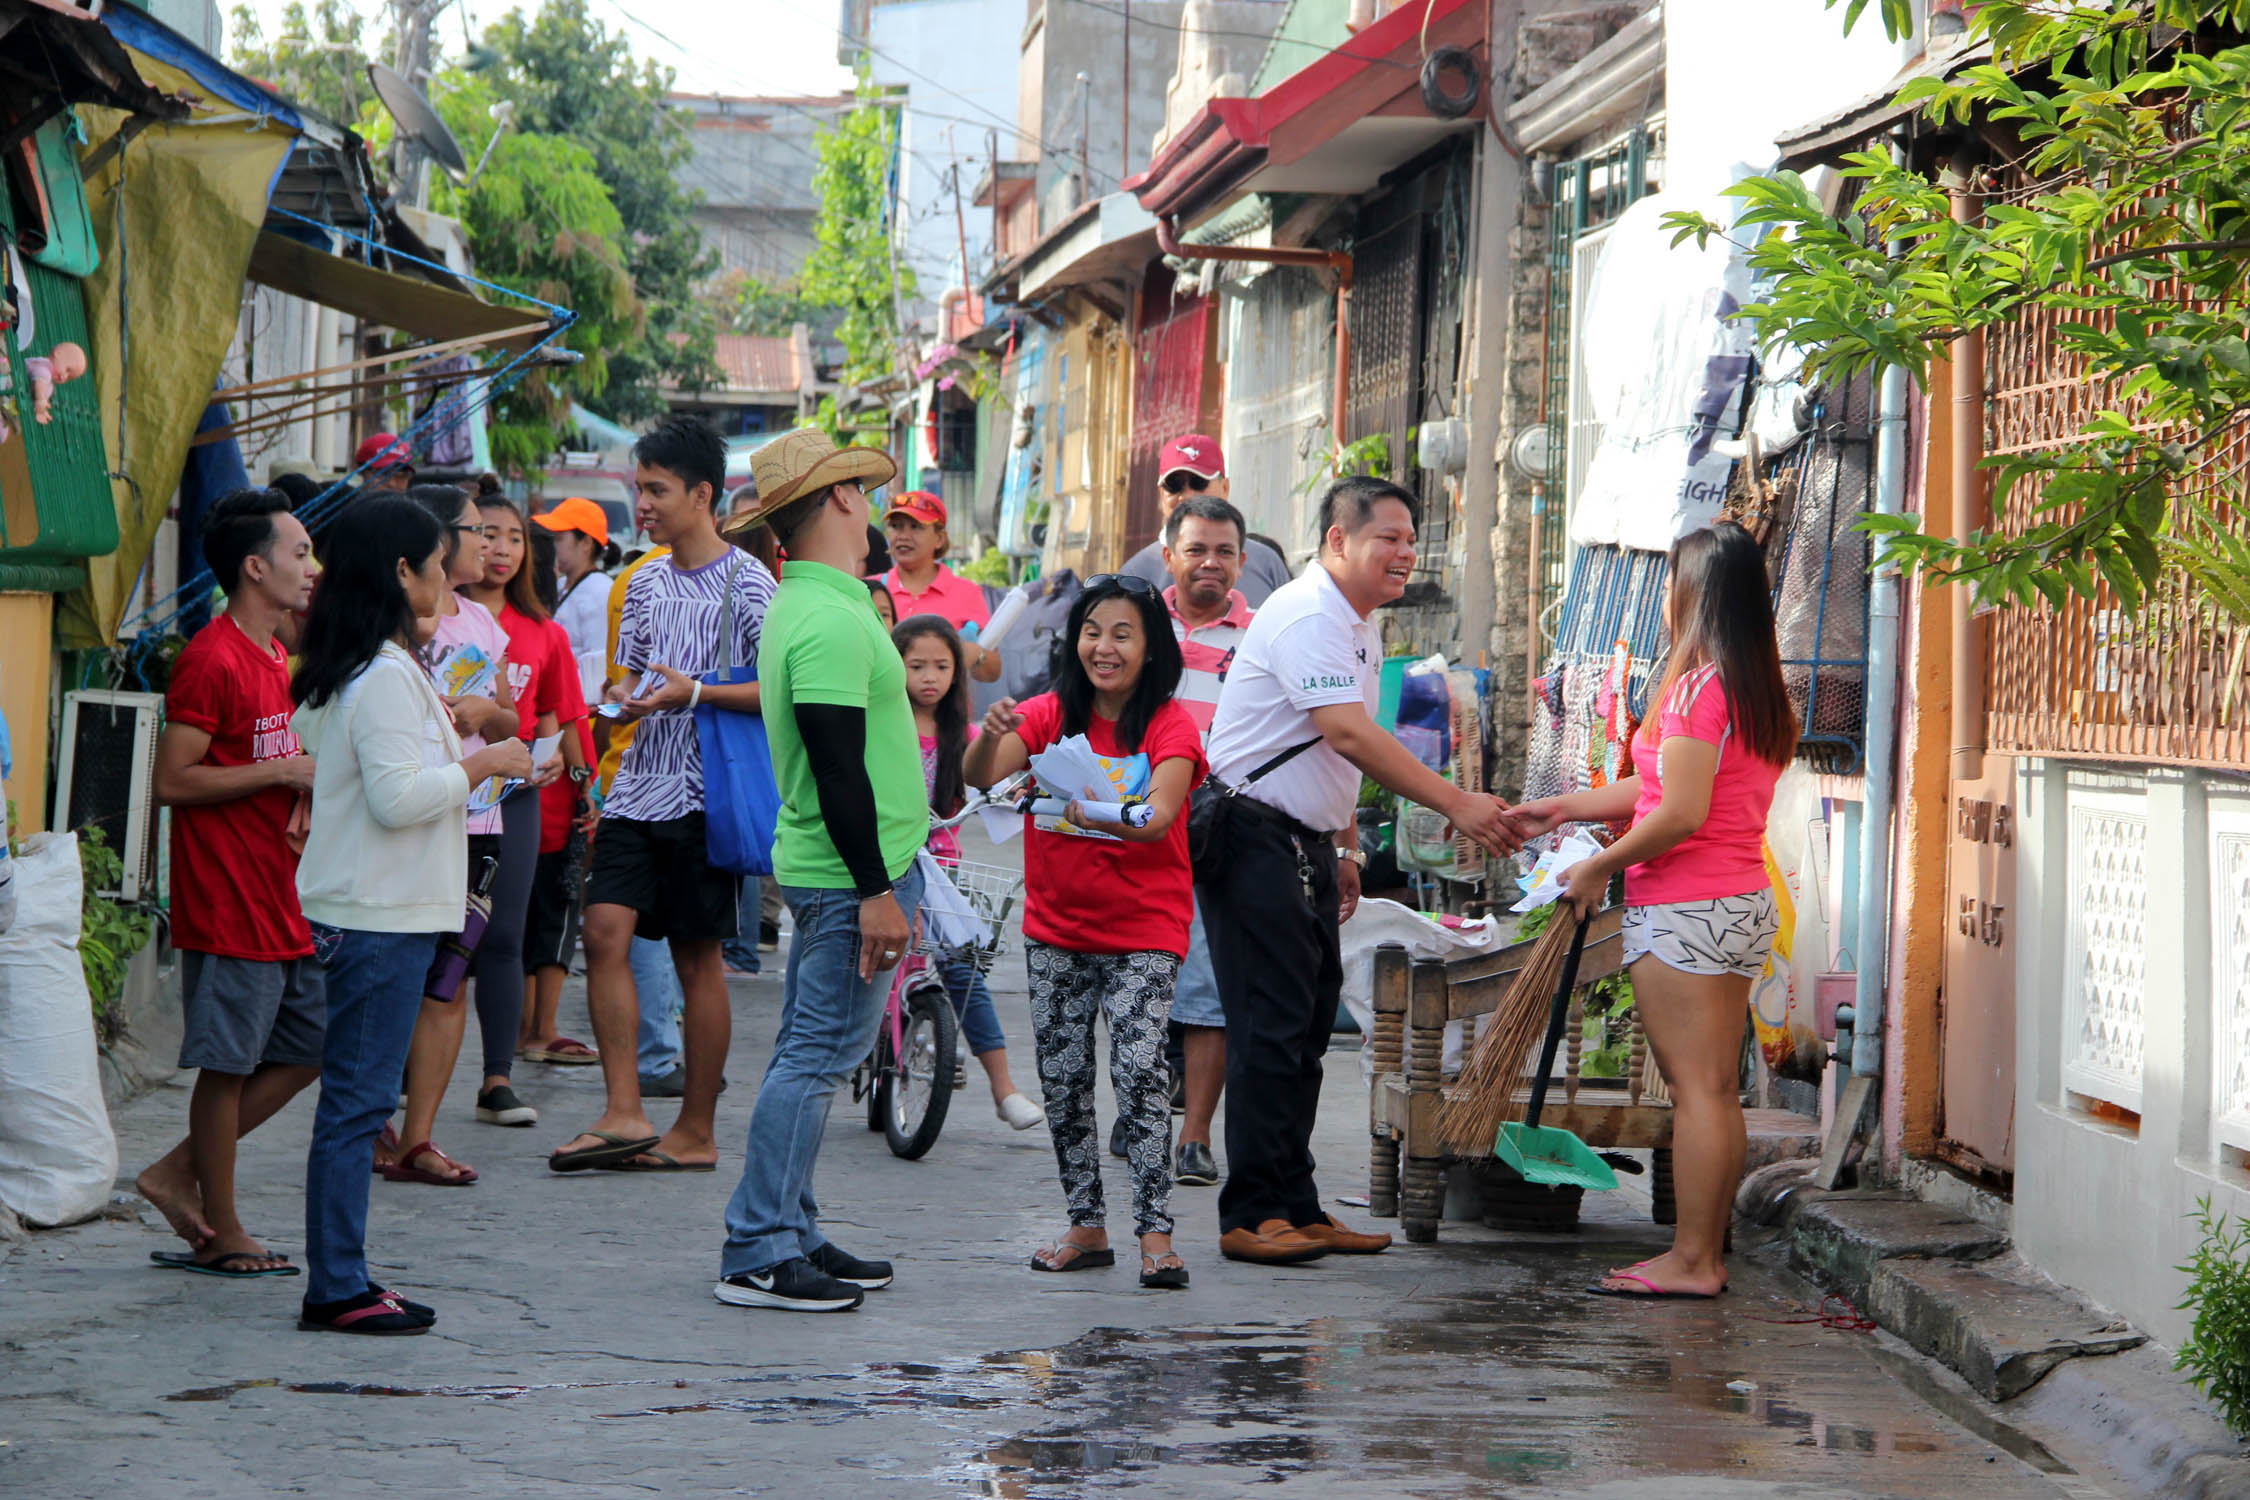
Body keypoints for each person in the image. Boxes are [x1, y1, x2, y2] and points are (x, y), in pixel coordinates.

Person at [1200, 476, 1523, 1265]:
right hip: (1248, 833)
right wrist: (1457, 802)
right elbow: (1346, 733)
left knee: (1308, 1026)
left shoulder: (1357, 625)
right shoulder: (1312, 615)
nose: (1406, 554)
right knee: (1269, 1026)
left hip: (1300, 840)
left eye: (1413, 540)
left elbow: (1328, 751)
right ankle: (1249, 1213)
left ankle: (1297, 1202)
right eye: (1390, 538)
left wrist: (1344, 848)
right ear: (1339, 540)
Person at [1510, 524, 1794, 1300]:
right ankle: (1703, 1252)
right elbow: (1663, 791)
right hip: (1736, 903)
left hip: (1687, 906)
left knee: (1696, 1089)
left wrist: (1599, 864)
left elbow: (1682, 815)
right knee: (1714, 1089)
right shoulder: (1754, 686)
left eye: (1673, 582)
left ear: (1692, 594)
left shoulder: (1701, 689)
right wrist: (1564, 807)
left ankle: (1695, 1260)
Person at [291, 496, 533, 1333]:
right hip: (378, 913)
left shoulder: (373, 663)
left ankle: (345, 1276)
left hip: (375, 907)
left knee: (357, 1103)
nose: (447, 575)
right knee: (358, 1106)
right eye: (437, 561)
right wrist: (486, 761)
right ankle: (338, 1287)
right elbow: (398, 801)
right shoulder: (384, 672)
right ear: (402, 572)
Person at [713, 428, 925, 1313]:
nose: (873, 506)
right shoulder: (830, 617)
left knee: (812, 1048)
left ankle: (789, 1226)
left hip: (841, 869)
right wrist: (876, 890)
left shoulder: (818, 605)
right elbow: (839, 771)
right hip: (848, 876)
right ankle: (760, 1245)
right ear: (840, 499)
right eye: (863, 492)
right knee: (817, 1053)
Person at [548, 416, 776, 1176]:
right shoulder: (637, 581)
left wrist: (697, 692)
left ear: (702, 494)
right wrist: (618, 699)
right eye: (638, 487)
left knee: (697, 960)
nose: (641, 503)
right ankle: (623, 1112)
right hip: (636, 785)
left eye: (656, 489)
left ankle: (696, 1132)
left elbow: (780, 692)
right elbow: (632, 679)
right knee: (604, 932)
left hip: (706, 795)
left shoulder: (751, 583)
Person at [964, 575, 1204, 1290]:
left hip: (1146, 930)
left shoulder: (1171, 725)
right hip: (1057, 928)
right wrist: (994, 739)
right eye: (1093, 630)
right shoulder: (1044, 715)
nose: (1104, 646)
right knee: (1065, 1081)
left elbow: (1157, 818)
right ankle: (1087, 1226)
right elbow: (982, 785)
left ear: (1150, 647)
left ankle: (1156, 1235)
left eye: (1123, 633)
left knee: (1139, 1073)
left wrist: (1067, 806)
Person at [134, 489, 322, 1277]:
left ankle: (177, 1171)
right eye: (300, 554)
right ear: (255, 567)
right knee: (229, 1063)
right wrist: (279, 770)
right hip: (227, 893)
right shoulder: (210, 659)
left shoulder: (274, 652)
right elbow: (172, 781)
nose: (313, 569)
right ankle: (225, 1222)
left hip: (276, 886)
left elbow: (273, 756)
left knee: (314, 1040)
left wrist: (298, 790)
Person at [371, 486, 526, 1186]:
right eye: (475, 530)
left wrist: (485, 714)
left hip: (477, 822)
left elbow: (511, 723)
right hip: (406, 820)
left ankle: (420, 1138)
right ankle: (372, 1121)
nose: (489, 544)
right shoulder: (388, 625)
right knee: (388, 974)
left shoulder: (487, 627)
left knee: (447, 982)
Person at [457, 491, 587, 1124]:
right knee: (437, 935)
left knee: (504, 936)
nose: (500, 548)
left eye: (512, 537)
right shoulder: (433, 617)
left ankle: (496, 1079)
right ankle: (401, 1077)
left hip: (516, 795)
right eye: (485, 533)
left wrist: (564, 755)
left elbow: (558, 718)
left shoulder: (544, 632)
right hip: (443, 793)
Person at [892, 614, 1042, 1129]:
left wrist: (1019, 780)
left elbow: (993, 773)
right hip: (885, 862)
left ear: (958, 672)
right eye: (916, 666)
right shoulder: (880, 725)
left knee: (961, 967)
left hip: (941, 871)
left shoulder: (967, 733)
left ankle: (1004, 1088)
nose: (929, 677)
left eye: (941, 665)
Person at [1157, 492, 1257, 1189]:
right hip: (1135, 830)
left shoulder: (1262, 638)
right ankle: (1140, 1107)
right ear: (1170, 556)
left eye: (1223, 551)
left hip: (1220, 831)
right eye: (1196, 549)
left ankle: (1194, 1135)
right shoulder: (1134, 628)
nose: (1210, 563)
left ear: (1242, 562)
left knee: (1206, 986)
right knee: (1136, 980)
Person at [519, 521, 601, 1066]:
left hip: (534, 798)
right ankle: (539, 1029)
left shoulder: (546, 630)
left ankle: (528, 1029)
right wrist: (586, 783)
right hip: (539, 800)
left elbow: (567, 714)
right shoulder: (546, 632)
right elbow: (571, 717)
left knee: (525, 918)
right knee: (550, 914)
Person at [1118, 435, 1292, 606]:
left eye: (1198, 483)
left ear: (1225, 487)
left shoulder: (1266, 562)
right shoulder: (1137, 574)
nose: (1187, 496)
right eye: (1174, 485)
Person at [879, 491, 1001, 682]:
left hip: (945, 711)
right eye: (896, 526)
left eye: (915, 527)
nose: (903, 536)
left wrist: (975, 654)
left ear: (939, 538)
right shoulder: (872, 590)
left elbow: (993, 672)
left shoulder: (967, 592)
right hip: (882, 709)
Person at [537, 495, 619, 705]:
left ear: (586, 543)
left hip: (579, 708)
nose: (553, 546)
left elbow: (598, 669)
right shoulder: (559, 585)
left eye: (559, 539)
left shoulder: (599, 591)